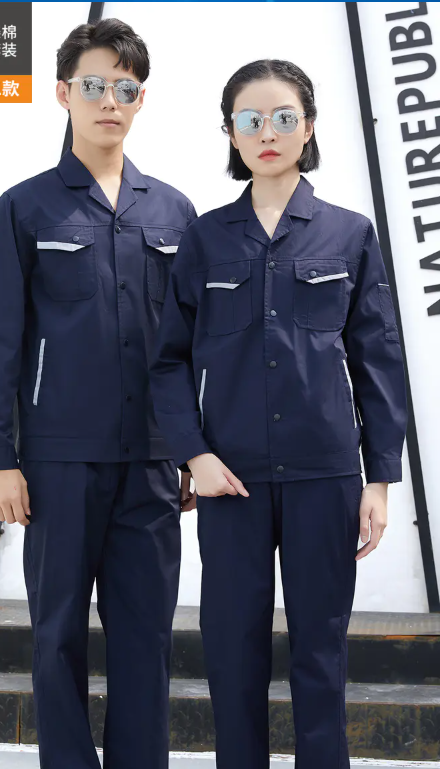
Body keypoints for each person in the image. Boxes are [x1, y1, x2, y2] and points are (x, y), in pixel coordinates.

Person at [149, 59, 408, 769]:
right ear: (231, 133)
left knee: (321, 650)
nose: (268, 133)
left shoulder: (348, 234)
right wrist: (194, 455)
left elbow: (379, 361)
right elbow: (168, 360)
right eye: (251, 120)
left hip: (325, 475)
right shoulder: (205, 238)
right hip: (229, 477)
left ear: (309, 128)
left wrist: (379, 480)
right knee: (233, 648)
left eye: (284, 118)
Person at [0, 18, 197, 769]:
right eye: (94, 85)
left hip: (151, 464)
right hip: (58, 462)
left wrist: (193, 448)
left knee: (146, 637)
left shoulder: (173, 212)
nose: (109, 101)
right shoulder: (26, 208)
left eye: (125, 88)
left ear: (141, 100)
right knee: (57, 633)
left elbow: (194, 348)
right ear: (64, 93)